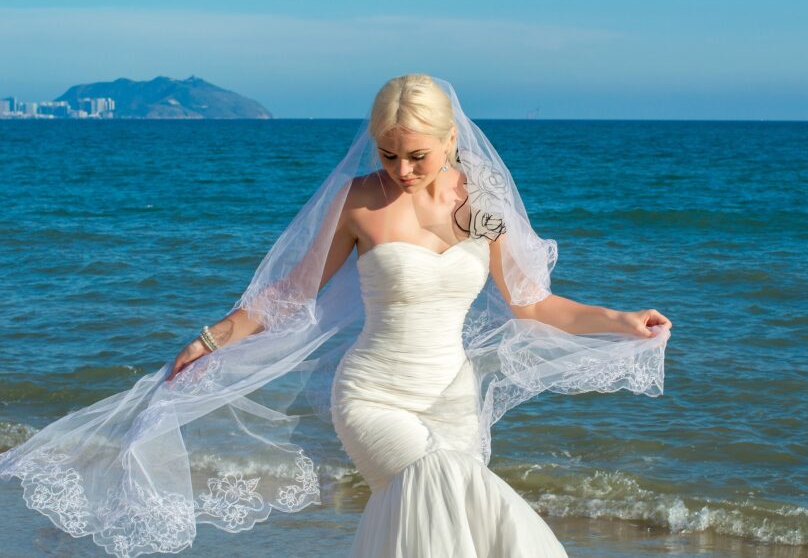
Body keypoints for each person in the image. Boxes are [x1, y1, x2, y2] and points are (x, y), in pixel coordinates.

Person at [0, 73, 671, 558]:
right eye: (387, 152)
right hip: (372, 396)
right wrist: (212, 337)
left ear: (450, 141)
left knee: (441, 521)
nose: (401, 169)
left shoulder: (484, 205)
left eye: (417, 154)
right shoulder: (356, 201)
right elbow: (291, 293)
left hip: (452, 401)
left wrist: (620, 319)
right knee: (435, 488)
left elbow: (531, 302)